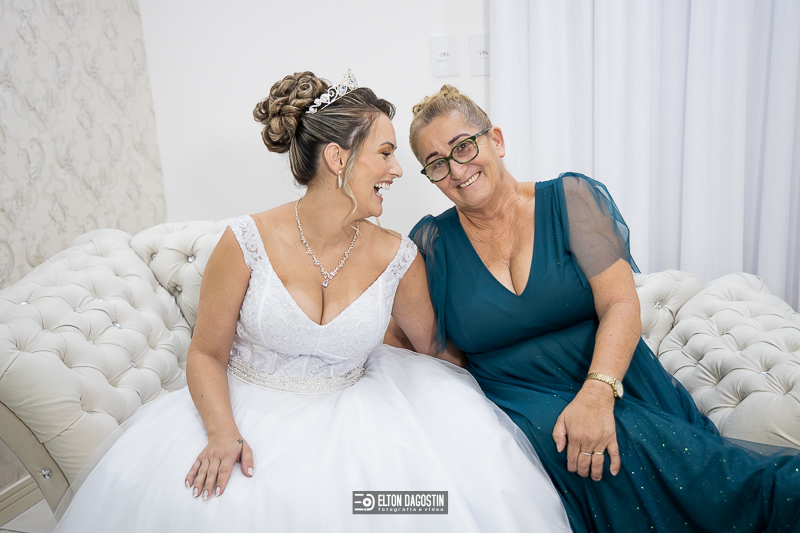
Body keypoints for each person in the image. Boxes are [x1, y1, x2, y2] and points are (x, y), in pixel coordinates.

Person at [50, 72, 572, 532]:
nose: (397, 170)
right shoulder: (245, 242)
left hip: (359, 424)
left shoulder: (399, 257)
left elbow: (437, 350)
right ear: (338, 159)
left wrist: (512, 389)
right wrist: (223, 434)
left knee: (421, 506)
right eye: (385, 153)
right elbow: (206, 353)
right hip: (244, 415)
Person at [399, 85, 800, 533]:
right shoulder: (431, 244)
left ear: (496, 140)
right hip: (518, 402)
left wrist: (596, 395)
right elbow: (429, 346)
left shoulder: (570, 200)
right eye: (437, 163)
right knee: (566, 444)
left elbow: (620, 303)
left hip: (609, 377)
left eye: (463, 147)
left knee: (719, 479)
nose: (457, 170)